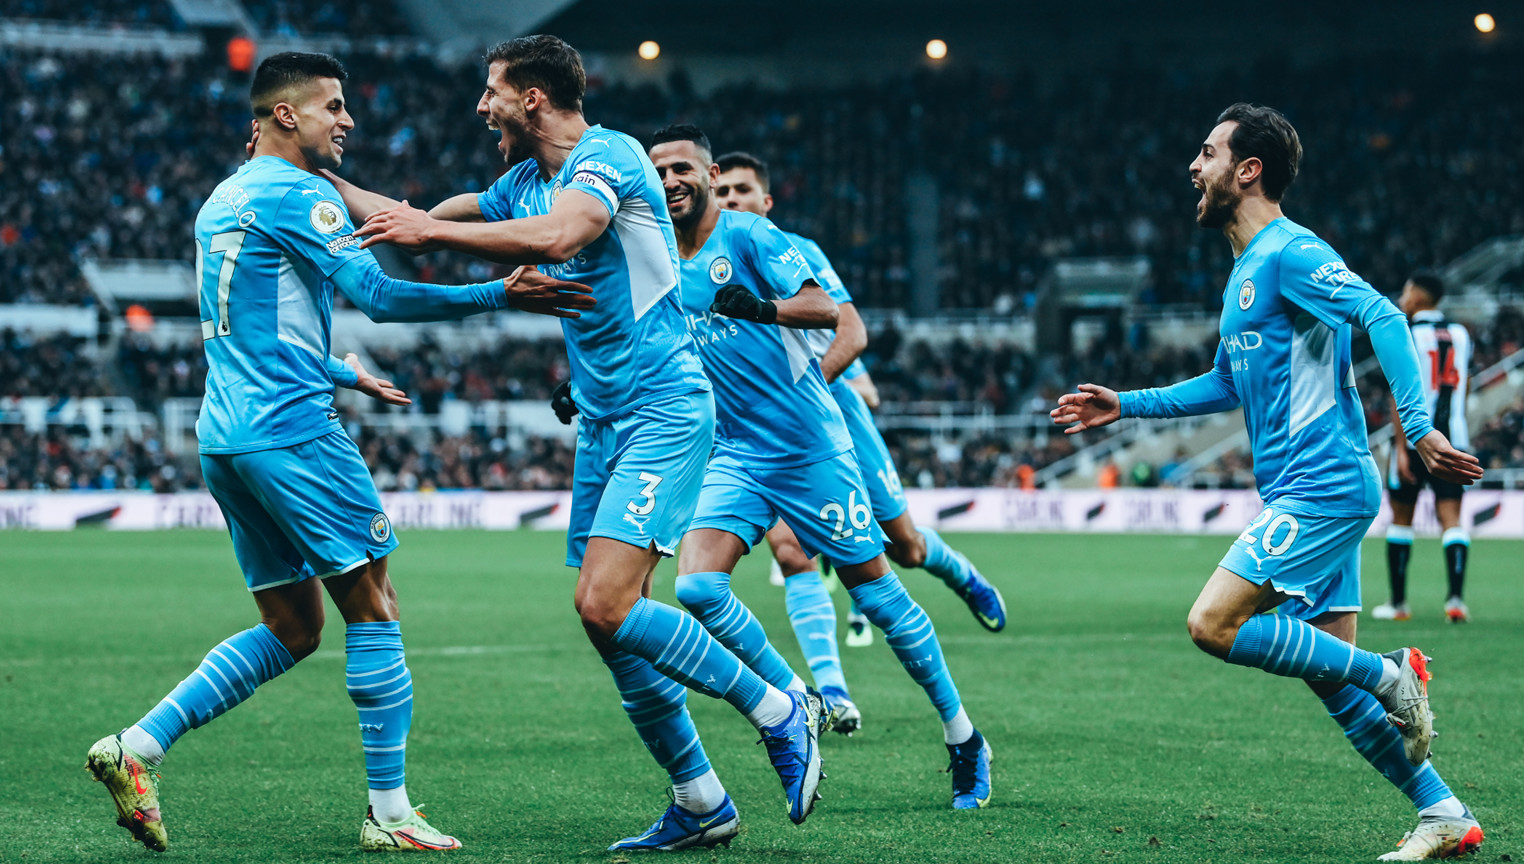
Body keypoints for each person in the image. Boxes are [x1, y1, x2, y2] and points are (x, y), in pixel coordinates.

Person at [84, 51, 594, 853]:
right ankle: (389, 814)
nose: (347, 120)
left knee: (293, 628)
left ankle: (135, 748)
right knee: (375, 603)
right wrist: (503, 291)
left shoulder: (224, 199)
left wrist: (339, 368)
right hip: (293, 432)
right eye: (334, 106)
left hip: (227, 436)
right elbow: (382, 297)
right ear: (286, 115)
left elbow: (247, 324)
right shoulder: (298, 192)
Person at [339, 36, 825, 851]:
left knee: (605, 602)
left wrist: (430, 237)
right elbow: (453, 209)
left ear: (533, 97)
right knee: (608, 627)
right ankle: (701, 800)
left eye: (493, 91)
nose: (482, 105)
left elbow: (563, 237)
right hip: (604, 426)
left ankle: (782, 709)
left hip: (665, 411)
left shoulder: (609, 157)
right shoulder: (525, 178)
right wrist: (329, 187)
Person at [1051, 103, 1484, 861]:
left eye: (1209, 152)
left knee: (1212, 624)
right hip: (1309, 491)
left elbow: (1381, 314)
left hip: (1323, 484)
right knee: (1331, 680)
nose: (1195, 165)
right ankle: (1441, 811)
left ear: (1248, 170)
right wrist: (1127, 405)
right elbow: (1225, 383)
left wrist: (1416, 426)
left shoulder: (1290, 252)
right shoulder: (1245, 273)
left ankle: (1392, 673)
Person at [650, 124, 992, 811]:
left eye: (682, 168)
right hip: (737, 454)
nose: (669, 182)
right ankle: (794, 697)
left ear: (710, 175)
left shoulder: (747, 237)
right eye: (658, 172)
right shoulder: (659, 258)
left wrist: (763, 309)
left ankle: (964, 738)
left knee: (879, 591)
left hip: (810, 448)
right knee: (696, 588)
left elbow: (827, 311)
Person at [712, 151, 1007, 734]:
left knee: (905, 549)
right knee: (792, 552)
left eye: (743, 191)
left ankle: (960, 572)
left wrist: (798, 390)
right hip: (757, 439)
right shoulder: (697, 263)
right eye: (723, 192)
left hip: (830, 419)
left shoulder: (787, 249)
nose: (731, 201)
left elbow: (852, 329)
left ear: (765, 202)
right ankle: (833, 694)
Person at [1373, 272, 1472, 623]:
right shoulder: (1461, 335)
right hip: (1453, 440)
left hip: (1417, 439)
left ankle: (1398, 604)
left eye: (1404, 290)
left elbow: (1400, 393)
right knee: (1452, 520)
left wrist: (1401, 448)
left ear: (1416, 294)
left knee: (1401, 519)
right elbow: (1467, 383)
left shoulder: (1408, 332)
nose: (1402, 297)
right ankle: (1456, 600)